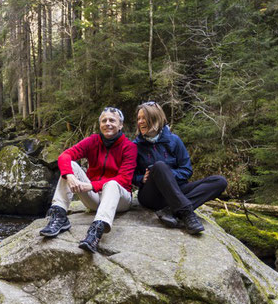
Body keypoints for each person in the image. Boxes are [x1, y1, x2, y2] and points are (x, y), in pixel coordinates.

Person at [39, 107, 138, 253]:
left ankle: (95, 233)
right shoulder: (93, 141)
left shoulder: (129, 147)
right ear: (100, 125)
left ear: (120, 125)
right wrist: (70, 175)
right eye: (104, 120)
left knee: (112, 183)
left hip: (119, 200)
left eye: (112, 120)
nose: (108, 123)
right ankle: (59, 215)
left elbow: (124, 179)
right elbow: (64, 156)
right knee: (70, 165)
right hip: (95, 198)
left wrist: (91, 185)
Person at [132, 101, 227, 234]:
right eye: (138, 118)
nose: (140, 122)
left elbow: (186, 170)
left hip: (176, 190)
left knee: (220, 182)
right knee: (159, 166)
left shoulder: (174, 140)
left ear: (156, 118)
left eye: (144, 118)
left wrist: (167, 176)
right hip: (152, 196)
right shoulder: (135, 146)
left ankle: (171, 211)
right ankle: (187, 214)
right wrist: (142, 179)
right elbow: (131, 176)